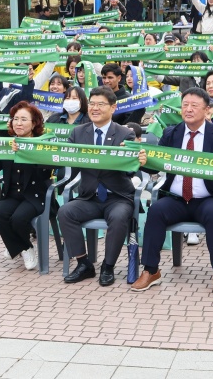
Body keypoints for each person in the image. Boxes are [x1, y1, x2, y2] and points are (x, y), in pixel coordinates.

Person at [132, 87, 213, 298]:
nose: (188, 110)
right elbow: (155, 164)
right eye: (185, 105)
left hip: (207, 198)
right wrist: (142, 161)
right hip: (176, 198)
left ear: (207, 111)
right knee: (156, 212)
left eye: (194, 106)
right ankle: (150, 270)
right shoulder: (172, 133)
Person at [58, 87, 138, 286]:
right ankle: (84, 264)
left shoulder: (125, 134)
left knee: (119, 217)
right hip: (89, 197)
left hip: (118, 196)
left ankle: (108, 266)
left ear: (113, 108)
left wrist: (127, 157)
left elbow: (131, 172)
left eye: (100, 104)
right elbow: (64, 158)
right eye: (92, 104)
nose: (95, 108)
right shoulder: (78, 133)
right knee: (66, 211)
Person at [0, 101, 54, 269]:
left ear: (34, 123)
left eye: (24, 119)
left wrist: (26, 152)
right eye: (15, 119)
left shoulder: (42, 144)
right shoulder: (7, 143)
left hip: (35, 196)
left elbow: (47, 172)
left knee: (18, 219)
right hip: (12, 194)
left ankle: (16, 246)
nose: (18, 123)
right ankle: (24, 247)